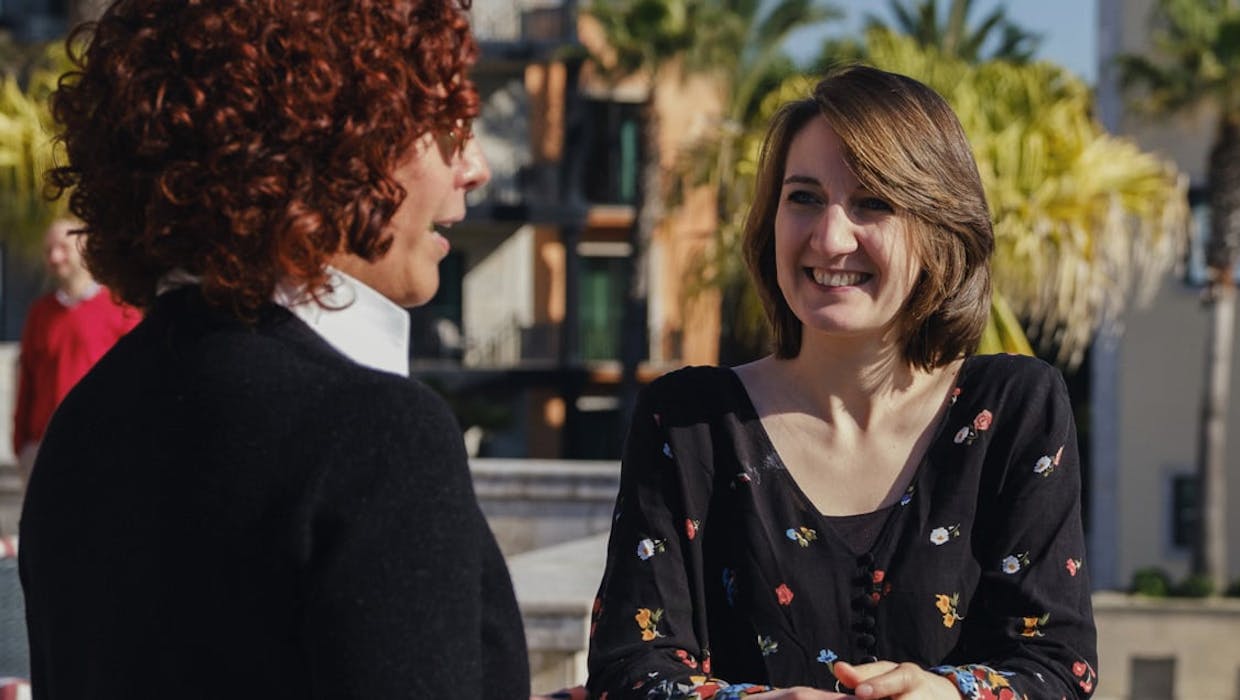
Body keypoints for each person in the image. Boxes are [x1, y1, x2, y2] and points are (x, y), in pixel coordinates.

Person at [18, 1, 530, 698]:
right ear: (337, 141)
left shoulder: (86, 421)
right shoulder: (373, 437)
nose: (472, 167)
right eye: (444, 127)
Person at [586, 65, 1097, 700]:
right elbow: (629, 666)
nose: (830, 237)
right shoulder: (689, 421)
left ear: (938, 229)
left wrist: (943, 695)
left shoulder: (1014, 410)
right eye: (802, 197)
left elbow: (1056, 665)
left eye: (872, 203)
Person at [11, 218, 139, 481]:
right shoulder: (40, 313)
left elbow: (139, 384)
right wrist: (20, 443)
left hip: (103, 446)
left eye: (62, 248)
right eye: (49, 250)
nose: (55, 257)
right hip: (43, 447)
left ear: (84, 249)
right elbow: (27, 380)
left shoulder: (122, 311)